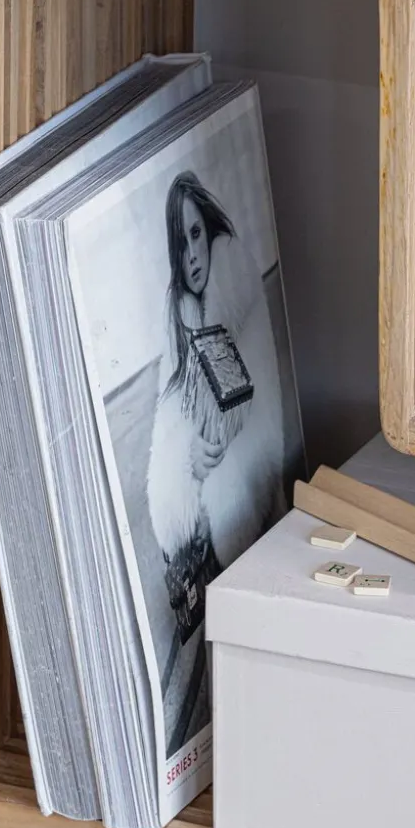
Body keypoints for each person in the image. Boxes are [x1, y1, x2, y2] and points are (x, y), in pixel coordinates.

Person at [146, 171, 287, 641]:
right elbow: (172, 412)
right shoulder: (179, 311)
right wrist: (187, 453)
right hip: (222, 479)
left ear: (208, 231)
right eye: (180, 243)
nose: (192, 254)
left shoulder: (233, 277)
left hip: (248, 467)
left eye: (196, 234)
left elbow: (239, 398)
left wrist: (206, 445)